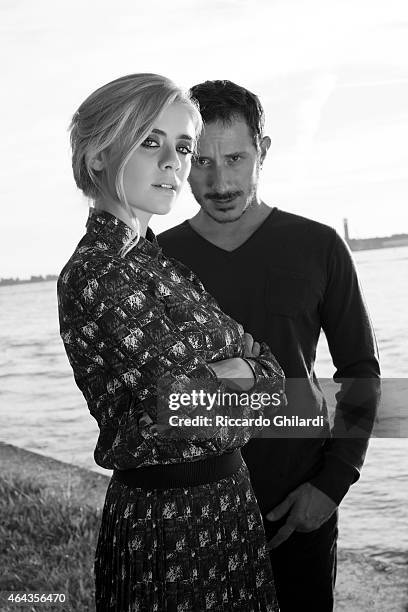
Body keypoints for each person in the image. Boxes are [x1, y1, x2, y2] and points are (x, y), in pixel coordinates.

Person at [57, 73, 284, 611]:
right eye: (150, 141)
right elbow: (186, 409)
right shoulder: (97, 273)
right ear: (97, 157)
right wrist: (239, 372)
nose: (174, 164)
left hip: (230, 505)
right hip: (166, 522)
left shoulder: (160, 264)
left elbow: (272, 383)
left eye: (182, 147)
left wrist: (232, 376)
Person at [158, 79, 381, 612]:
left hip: (297, 508)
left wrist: (331, 485)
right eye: (200, 160)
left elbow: (360, 372)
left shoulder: (319, 245)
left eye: (234, 157)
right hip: (192, 514)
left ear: (264, 151)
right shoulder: (156, 260)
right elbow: (150, 398)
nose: (218, 180)